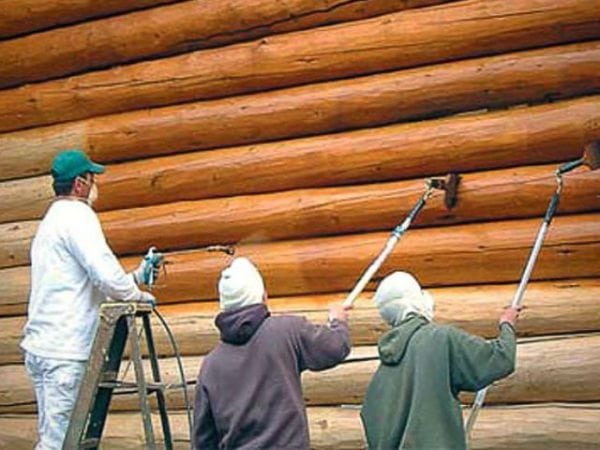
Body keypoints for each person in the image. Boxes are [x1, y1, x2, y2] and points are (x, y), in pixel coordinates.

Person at [20, 149, 158, 450]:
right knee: (60, 443)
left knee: (52, 438)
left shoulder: (52, 220)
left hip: (43, 346)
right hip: (65, 350)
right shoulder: (78, 216)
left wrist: (136, 276)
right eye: (93, 179)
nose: (96, 185)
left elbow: (83, 280)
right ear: (80, 184)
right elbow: (106, 277)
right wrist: (138, 296)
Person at [193, 257, 352, 450]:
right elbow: (335, 347)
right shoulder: (287, 331)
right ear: (262, 296)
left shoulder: (211, 365)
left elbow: (204, 441)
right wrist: (338, 320)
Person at [361, 271, 519, 450]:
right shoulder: (440, 338)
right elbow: (500, 358)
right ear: (415, 300)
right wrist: (507, 324)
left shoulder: (382, 373)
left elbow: (370, 420)